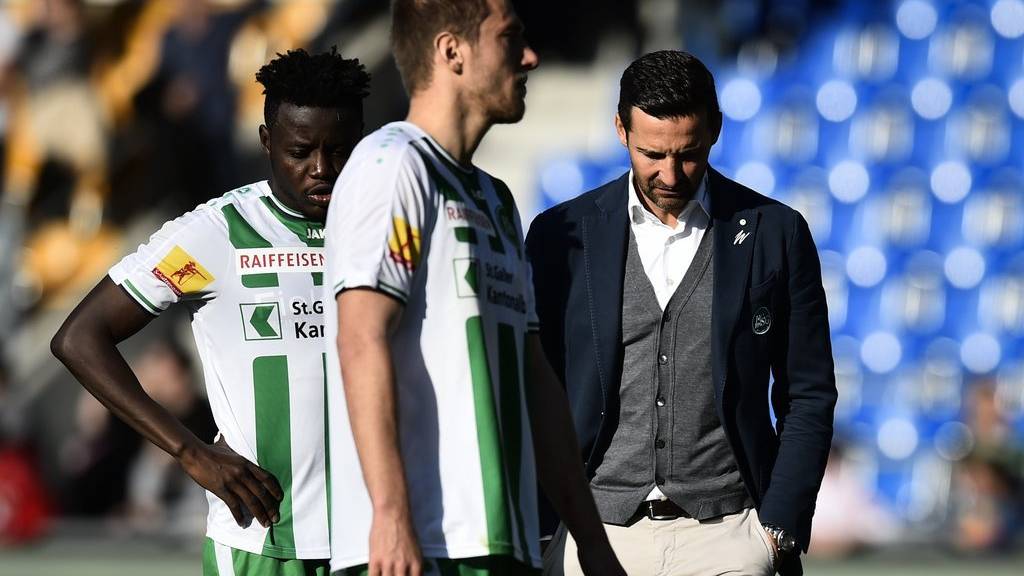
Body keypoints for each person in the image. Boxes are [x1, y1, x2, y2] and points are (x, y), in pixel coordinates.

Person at [322, 1, 625, 575]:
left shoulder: (495, 199)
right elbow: (361, 339)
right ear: (451, 51)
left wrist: (591, 540)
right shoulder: (393, 165)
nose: (531, 57)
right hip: (418, 547)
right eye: (510, 37)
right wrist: (388, 516)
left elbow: (535, 377)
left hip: (499, 542)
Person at [51, 48, 370, 576]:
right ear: (267, 142)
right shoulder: (215, 234)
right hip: (260, 545)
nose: (321, 168)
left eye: (338, 150)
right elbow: (80, 337)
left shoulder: (387, 226)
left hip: (376, 539)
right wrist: (189, 451)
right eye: (300, 151)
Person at [526, 50, 837, 576]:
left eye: (688, 153)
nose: (670, 173)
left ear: (715, 129)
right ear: (620, 130)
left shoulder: (776, 232)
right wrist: (543, 529)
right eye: (652, 153)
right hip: (591, 534)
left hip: (730, 535)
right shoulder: (561, 235)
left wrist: (777, 529)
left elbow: (808, 390)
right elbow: (535, 389)